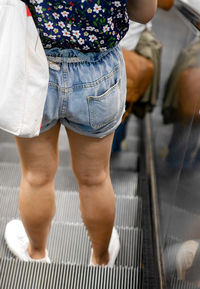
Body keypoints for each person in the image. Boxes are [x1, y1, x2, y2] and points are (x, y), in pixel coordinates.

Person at [4, 0, 157, 266]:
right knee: (95, 179)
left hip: (34, 64)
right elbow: (144, 14)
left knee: (36, 177)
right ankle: (100, 258)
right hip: (97, 71)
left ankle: (37, 254)